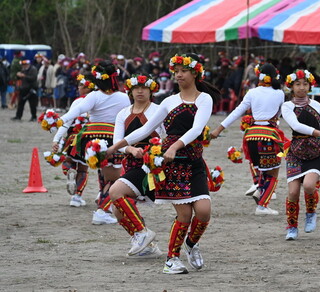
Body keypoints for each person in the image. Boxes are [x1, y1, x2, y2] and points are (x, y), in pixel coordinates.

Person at [106, 53, 221, 274]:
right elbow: (145, 129)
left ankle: (191, 245)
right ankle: (171, 259)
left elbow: (196, 129)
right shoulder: (169, 101)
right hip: (171, 164)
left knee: (204, 212)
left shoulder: (204, 99)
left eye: (183, 70)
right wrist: (116, 146)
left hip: (193, 160)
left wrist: (175, 146)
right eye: (176, 71)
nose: (178, 74)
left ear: (195, 73)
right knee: (185, 215)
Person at [59, 61, 131, 224]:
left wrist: (60, 120)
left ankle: (98, 198)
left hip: (90, 140)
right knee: (116, 178)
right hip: (112, 139)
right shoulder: (124, 97)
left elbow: (77, 110)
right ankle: (102, 210)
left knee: (102, 171)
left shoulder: (93, 96)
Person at [211, 63, 286, 216]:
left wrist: (218, 129)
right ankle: (263, 206)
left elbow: (237, 111)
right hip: (269, 135)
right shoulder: (280, 94)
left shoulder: (252, 92)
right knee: (273, 173)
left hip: (251, 135)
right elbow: (279, 115)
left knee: (260, 167)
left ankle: (259, 189)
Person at [109, 74, 164, 259]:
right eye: (136, 88)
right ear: (130, 91)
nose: (140, 91)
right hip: (131, 163)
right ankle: (147, 246)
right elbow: (117, 141)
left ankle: (142, 233)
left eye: (144, 88)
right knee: (117, 209)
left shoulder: (159, 110)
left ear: (151, 90)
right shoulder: (123, 113)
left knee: (115, 192)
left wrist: (155, 153)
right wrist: (130, 149)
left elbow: (166, 137)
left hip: (153, 166)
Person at [281, 69, 320, 240]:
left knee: (309, 186)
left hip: (315, 152)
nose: (301, 88)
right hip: (295, 152)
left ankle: (311, 213)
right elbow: (297, 126)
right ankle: (292, 227)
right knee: (293, 193)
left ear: (310, 85)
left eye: (305, 84)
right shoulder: (287, 106)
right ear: (291, 87)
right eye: (297, 84)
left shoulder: (316, 105)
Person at [52, 74, 96, 207]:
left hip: (73, 137)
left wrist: (56, 139)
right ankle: (77, 197)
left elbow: (67, 121)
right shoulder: (98, 101)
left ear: (87, 89)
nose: (78, 88)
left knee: (68, 161)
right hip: (89, 138)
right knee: (83, 169)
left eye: (81, 86)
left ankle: (69, 172)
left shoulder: (77, 102)